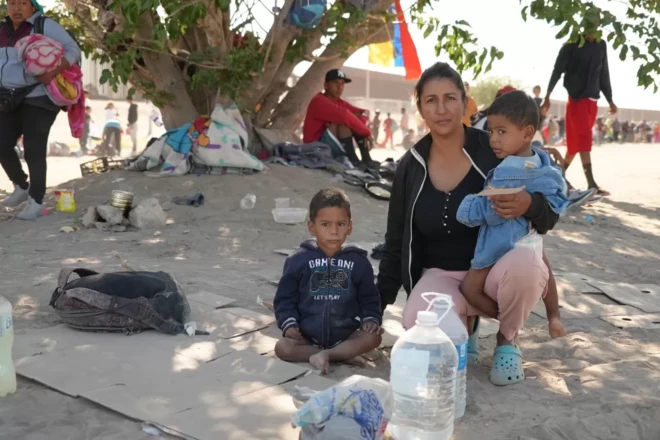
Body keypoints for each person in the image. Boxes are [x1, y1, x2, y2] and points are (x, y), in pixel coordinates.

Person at [377, 62, 562, 386]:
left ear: (465, 101)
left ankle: (507, 340)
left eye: (450, 98)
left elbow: (548, 216)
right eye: (430, 100)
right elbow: (395, 243)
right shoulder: (411, 165)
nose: (441, 108)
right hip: (441, 278)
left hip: (495, 271)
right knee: (431, 345)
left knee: (527, 265)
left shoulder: (496, 149)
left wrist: (529, 204)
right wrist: (373, 311)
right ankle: (467, 327)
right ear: (419, 106)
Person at [456, 90, 569, 340]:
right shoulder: (543, 166)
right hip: (527, 239)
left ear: (527, 133)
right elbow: (556, 200)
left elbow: (492, 211)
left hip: (499, 243)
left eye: (501, 132)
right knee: (543, 262)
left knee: (469, 288)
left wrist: (464, 208)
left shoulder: (506, 171)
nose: (493, 139)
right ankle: (553, 318)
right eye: (491, 131)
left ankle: (506, 325)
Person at [273, 188, 382, 375]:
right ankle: (337, 355)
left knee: (374, 338)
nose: (333, 231)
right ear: (312, 227)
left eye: (340, 224)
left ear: (350, 226)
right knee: (283, 348)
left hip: (347, 334)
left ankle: (332, 353)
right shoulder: (298, 261)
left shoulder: (359, 262)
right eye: (325, 224)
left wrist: (371, 319)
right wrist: (289, 324)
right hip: (307, 337)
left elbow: (370, 298)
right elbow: (284, 299)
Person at [0, 0, 82, 220]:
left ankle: (36, 201)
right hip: (9, 96)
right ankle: (22, 185)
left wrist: (54, 70)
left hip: (40, 95)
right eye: (12, 3)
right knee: (2, 143)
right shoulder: (2, 29)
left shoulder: (44, 25)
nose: (16, 8)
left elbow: (74, 49)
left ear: (33, 6)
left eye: (22, 3)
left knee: (33, 146)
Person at [541, 28, 617, 197]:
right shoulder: (572, 44)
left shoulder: (601, 45)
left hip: (592, 102)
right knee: (583, 141)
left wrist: (610, 99)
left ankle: (556, 174)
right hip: (576, 101)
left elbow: (604, 73)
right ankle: (591, 184)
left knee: (576, 145)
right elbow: (557, 69)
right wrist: (548, 95)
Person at [302, 69, 376, 169]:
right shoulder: (319, 101)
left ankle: (367, 159)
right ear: (326, 85)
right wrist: (366, 133)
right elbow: (345, 116)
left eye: (342, 84)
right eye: (335, 83)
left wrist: (360, 127)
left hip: (329, 142)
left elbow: (364, 112)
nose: (339, 87)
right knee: (344, 121)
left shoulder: (339, 102)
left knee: (353, 118)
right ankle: (353, 160)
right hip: (315, 147)